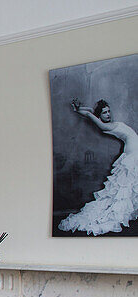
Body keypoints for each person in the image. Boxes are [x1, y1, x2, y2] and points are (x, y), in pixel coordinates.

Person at [58, 98, 138, 235]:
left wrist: (79, 109)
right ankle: (117, 214)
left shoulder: (110, 123)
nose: (108, 114)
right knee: (126, 188)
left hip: (132, 152)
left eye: (108, 111)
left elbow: (90, 112)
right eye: (104, 113)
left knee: (129, 186)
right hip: (133, 153)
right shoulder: (105, 126)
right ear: (99, 117)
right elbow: (90, 114)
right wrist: (85, 112)